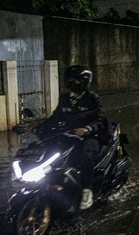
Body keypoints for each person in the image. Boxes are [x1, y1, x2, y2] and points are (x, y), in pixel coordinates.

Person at [37, 65, 107, 210]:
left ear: (84, 81)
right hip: (70, 135)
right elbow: (55, 117)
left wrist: (87, 129)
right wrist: (40, 127)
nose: (71, 83)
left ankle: (87, 191)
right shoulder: (64, 98)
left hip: (91, 136)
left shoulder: (92, 98)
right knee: (50, 151)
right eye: (69, 79)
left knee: (82, 155)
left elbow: (99, 118)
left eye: (75, 80)